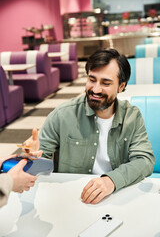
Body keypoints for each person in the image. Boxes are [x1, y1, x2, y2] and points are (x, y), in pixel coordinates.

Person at [24, 48, 155, 205]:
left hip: (117, 194)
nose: (96, 89)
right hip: (72, 198)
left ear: (121, 86)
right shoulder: (63, 115)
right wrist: (32, 158)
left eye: (105, 83)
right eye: (92, 80)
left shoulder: (132, 116)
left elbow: (145, 160)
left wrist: (112, 180)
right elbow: (39, 164)